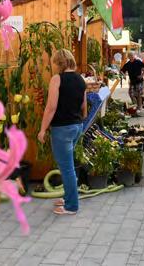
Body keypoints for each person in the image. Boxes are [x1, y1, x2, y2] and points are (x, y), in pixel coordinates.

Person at [38, 49, 86, 215]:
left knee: (67, 168)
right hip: (76, 126)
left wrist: (42, 129)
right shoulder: (81, 79)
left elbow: (51, 107)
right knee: (68, 165)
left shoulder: (57, 79)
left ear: (59, 63)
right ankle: (68, 198)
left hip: (62, 129)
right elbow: (83, 107)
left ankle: (71, 206)